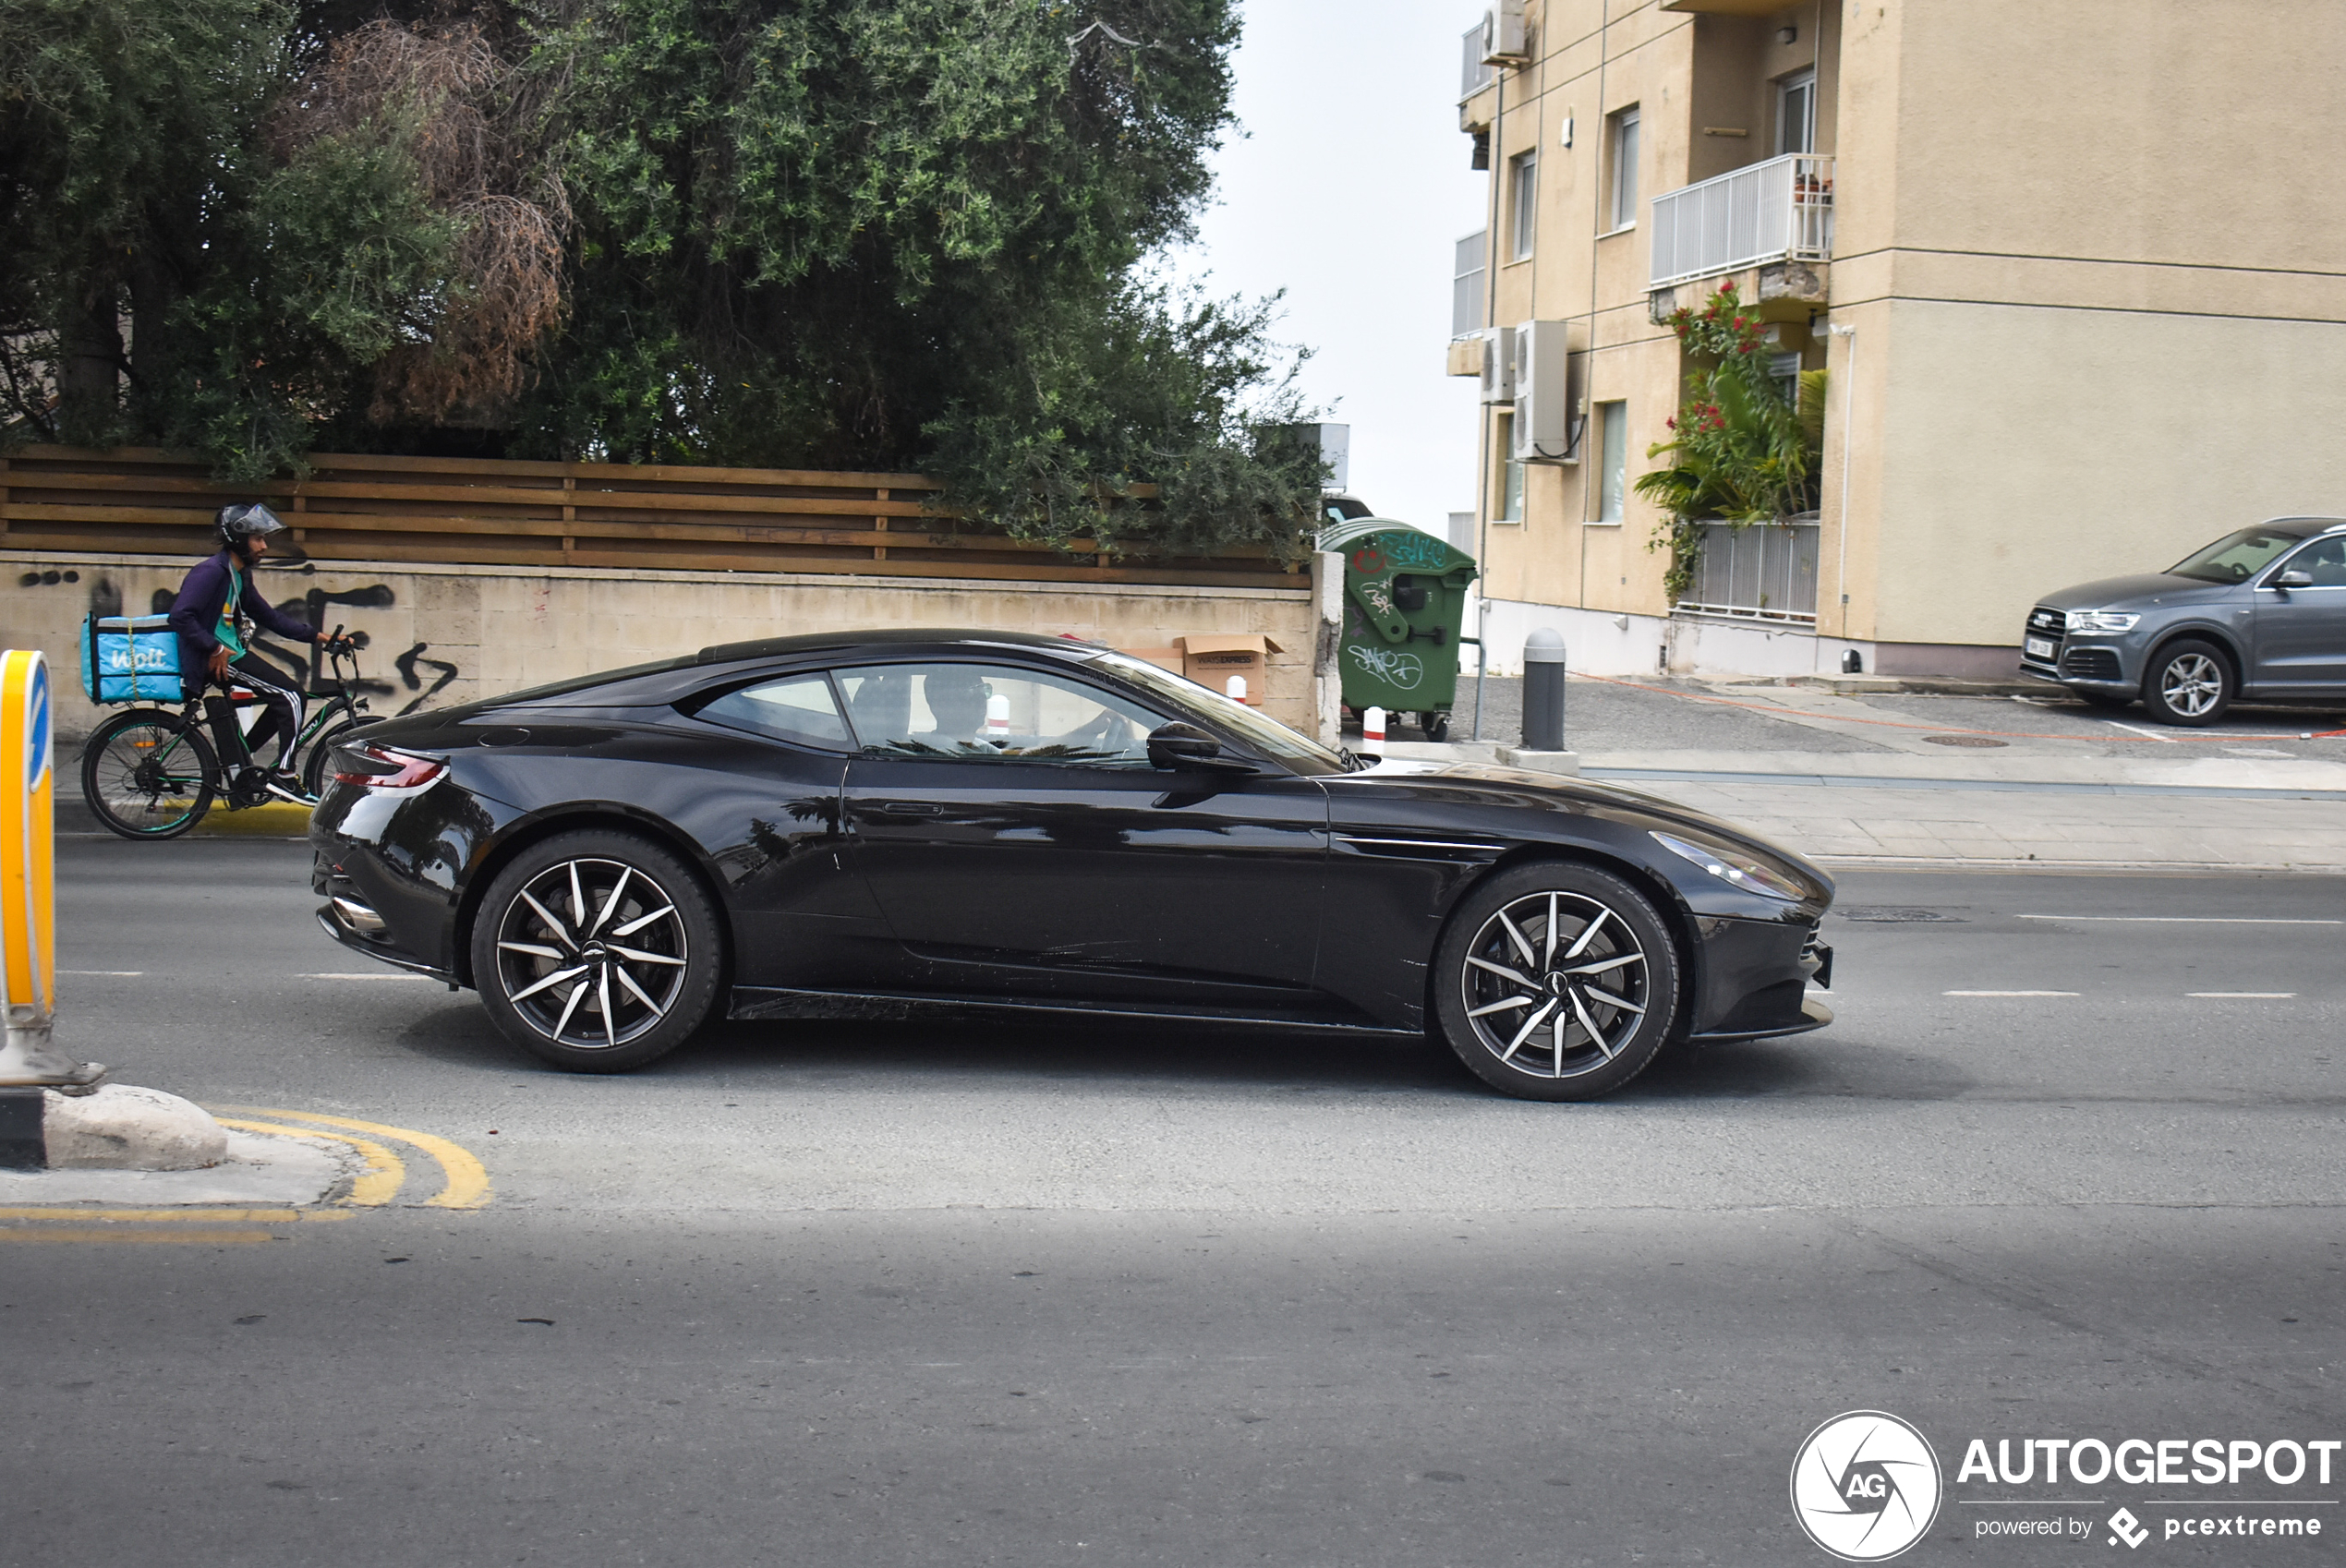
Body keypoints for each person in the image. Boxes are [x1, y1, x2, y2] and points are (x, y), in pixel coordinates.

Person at [169, 503, 331, 802]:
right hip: (216, 657)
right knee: (293, 695)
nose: (264, 546)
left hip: (228, 653)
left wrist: (320, 636)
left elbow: (270, 618)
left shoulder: (238, 576)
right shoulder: (211, 572)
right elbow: (180, 617)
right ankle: (284, 777)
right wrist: (215, 647)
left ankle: (243, 764)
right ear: (238, 539)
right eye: (258, 539)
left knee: (281, 697)